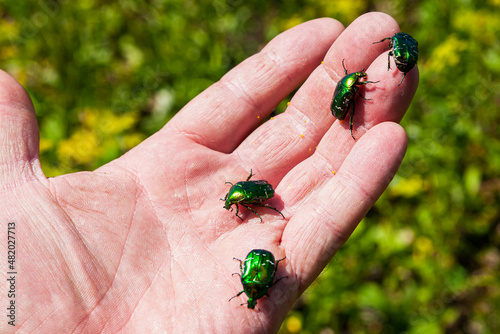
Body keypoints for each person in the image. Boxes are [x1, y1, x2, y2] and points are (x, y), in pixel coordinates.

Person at [0, 12, 417, 333]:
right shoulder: (243, 207)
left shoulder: (244, 201)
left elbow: (252, 206)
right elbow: (252, 216)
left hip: (260, 199)